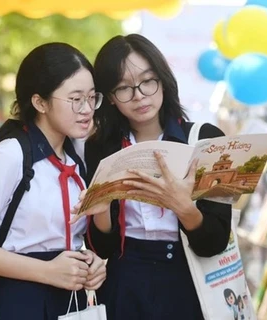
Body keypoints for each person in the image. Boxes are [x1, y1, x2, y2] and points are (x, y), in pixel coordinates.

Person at [0, 42, 106, 319]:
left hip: (69, 302)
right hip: (15, 301)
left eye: (92, 97)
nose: (87, 109)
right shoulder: (10, 155)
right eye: (75, 99)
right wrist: (47, 271)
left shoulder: (76, 157)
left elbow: (61, 237)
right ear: (40, 102)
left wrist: (90, 262)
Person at [77, 34, 231, 320]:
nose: (139, 96)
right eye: (123, 88)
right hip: (124, 279)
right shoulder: (99, 148)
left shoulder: (205, 139)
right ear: (109, 97)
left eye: (148, 81)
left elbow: (216, 242)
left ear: (163, 79)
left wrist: (183, 207)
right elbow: (104, 248)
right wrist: (100, 214)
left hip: (189, 277)